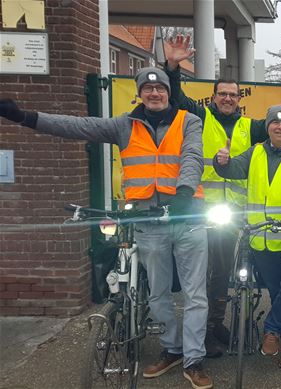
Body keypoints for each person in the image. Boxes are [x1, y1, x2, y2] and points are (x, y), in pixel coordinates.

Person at [0, 68, 213, 389]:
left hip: (188, 216)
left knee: (196, 294)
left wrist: (184, 191)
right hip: (148, 219)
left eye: (160, 88)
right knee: (157, 293)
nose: (154, 93)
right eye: (148, 88)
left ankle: (194, 359)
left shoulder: (189, 121)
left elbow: (193, 155)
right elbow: (77, 126)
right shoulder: (123, 125)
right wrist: (26, 117)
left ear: (169, 92)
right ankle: (173, 348)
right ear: (140, 93)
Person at [163, 35, 281, 356]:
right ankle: (199, 330)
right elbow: (175, 97)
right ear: (214, 96)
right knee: (196, 275)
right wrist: (172, 67)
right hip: (197, 208)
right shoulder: (200, 116)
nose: (228, 99)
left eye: (233, 95)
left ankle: (215, 325)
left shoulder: (250, 127)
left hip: (232, 215)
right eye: (223, 93)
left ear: (239, 98)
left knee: (222, 272)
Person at [212, 105, 281, 369]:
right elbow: (234, 169)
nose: (280, 127)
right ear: (268, 126)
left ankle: (271, 329)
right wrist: (221, 163)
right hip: (262, 237)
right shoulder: (256, 152)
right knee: (277, 292)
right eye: (275, 123)